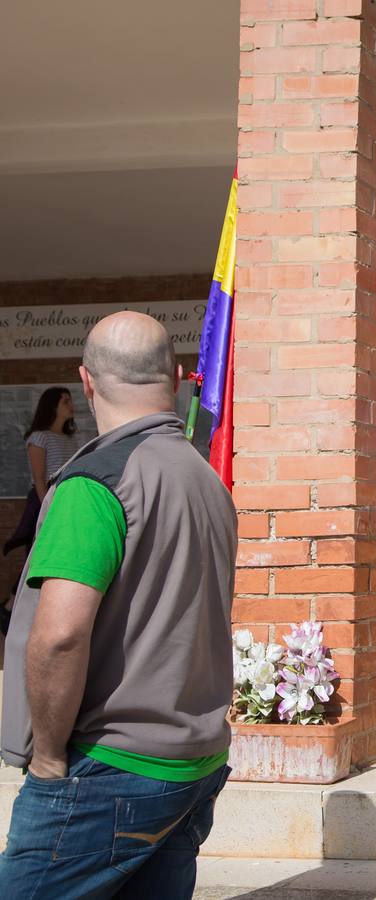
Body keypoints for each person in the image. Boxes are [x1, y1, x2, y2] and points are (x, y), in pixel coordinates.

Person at [0, 312, 236, 897]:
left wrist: (49, 758)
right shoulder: (207, 479)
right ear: (178, 379)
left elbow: (59, 635)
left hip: (106, 771)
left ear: (86, 380)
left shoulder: (95, 482)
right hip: (192, 765)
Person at [3, 387, 79, 629]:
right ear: (52, 406)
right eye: (65, 401)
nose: (71, 405)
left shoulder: (69, 438)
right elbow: (38, 477)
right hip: (42, 501)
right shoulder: (39, 437)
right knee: (35, 555)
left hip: (62, 500)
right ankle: (10, 608)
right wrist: (48, 509)